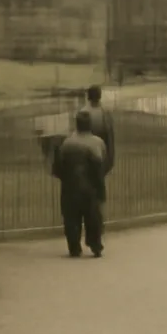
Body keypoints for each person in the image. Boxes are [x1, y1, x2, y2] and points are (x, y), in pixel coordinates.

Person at [52, 109, 107, 257]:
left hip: (70, 187)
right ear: (90, 125)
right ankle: (95, 244)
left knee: (71, 218)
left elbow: (58, 168)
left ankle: (74, 246)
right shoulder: (98, 143)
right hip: (91, 187)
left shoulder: (67, 143)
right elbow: (102, 165)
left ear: (76, 124)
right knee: (93, 217)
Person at [81, 84, 116, 182]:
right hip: (100, 150)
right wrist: (111, 155)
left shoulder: (84, 112)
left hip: (88, 150)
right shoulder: (105, 112)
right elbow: (109, 134)